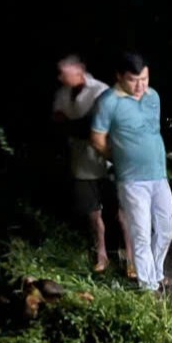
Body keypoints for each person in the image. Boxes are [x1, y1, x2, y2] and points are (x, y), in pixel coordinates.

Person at [91, 52, 172, 293]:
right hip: (131, 180)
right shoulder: (108, 102)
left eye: (145, 79)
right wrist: (117, 157)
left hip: (158, 174)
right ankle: (148, 286)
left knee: (167, 227)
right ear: (119, 77)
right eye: (133, 80)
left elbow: (152, 131)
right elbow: (97, 139)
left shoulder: (153, 97)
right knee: (141, 231)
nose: (140, 86)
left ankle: (157, 273)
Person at [52, 54, 132, 273]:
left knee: (120, 211)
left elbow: (95, 125)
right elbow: (60, 124)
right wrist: (80, 126)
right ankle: (101, 255)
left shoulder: (100, 90)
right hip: (81, 161)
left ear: (79, 70)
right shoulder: (62, 94)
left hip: (107, 159)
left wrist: (78, 126)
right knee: (92, 212)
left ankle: (132, 257)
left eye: (64, 73)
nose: (61, 78)